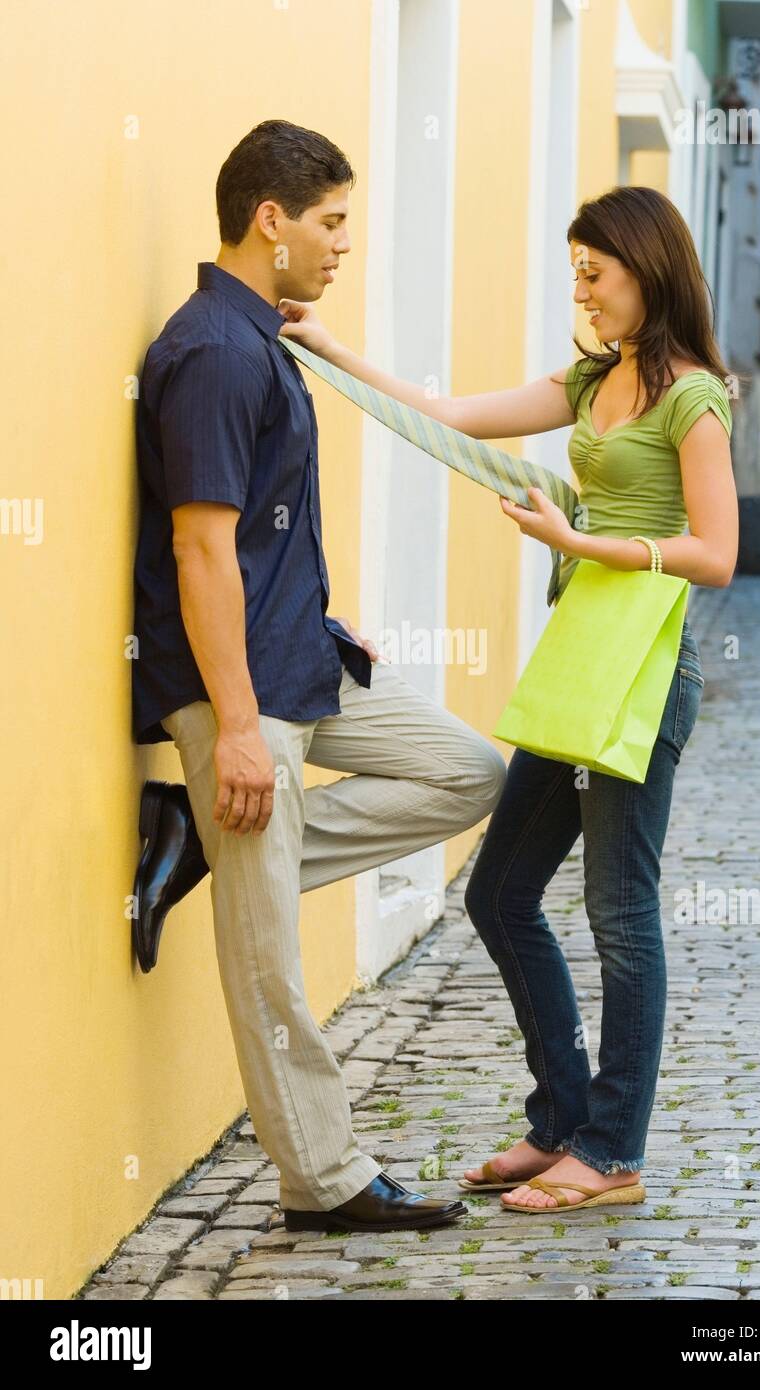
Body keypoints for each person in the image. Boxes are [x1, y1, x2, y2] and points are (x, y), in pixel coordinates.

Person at [277, 184, 739, 1214]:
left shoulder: (690, 397)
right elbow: (443, 414)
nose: (580, 287)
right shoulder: (591, 380)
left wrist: (582, 543)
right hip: (579, 665)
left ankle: (610, 1151)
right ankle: (558, 1120)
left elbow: (716, 553)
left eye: (595, 269)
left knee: (618, 913)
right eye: (573, 268)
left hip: (642, 675)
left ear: (646, 270)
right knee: (496, 892)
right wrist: (326, 347)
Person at [131, 119, 509, 1234]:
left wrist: (319, 611)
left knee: (470, 773)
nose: (343, 245)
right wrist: (236, 732)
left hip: (309, 659)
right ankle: (326, 1179)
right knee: (268, 959)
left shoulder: (268, 341)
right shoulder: (209, 351)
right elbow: (201, 549)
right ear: (270, 219)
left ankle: (205, 837)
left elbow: (256, 537)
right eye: (330, 222)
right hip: (239, 691)